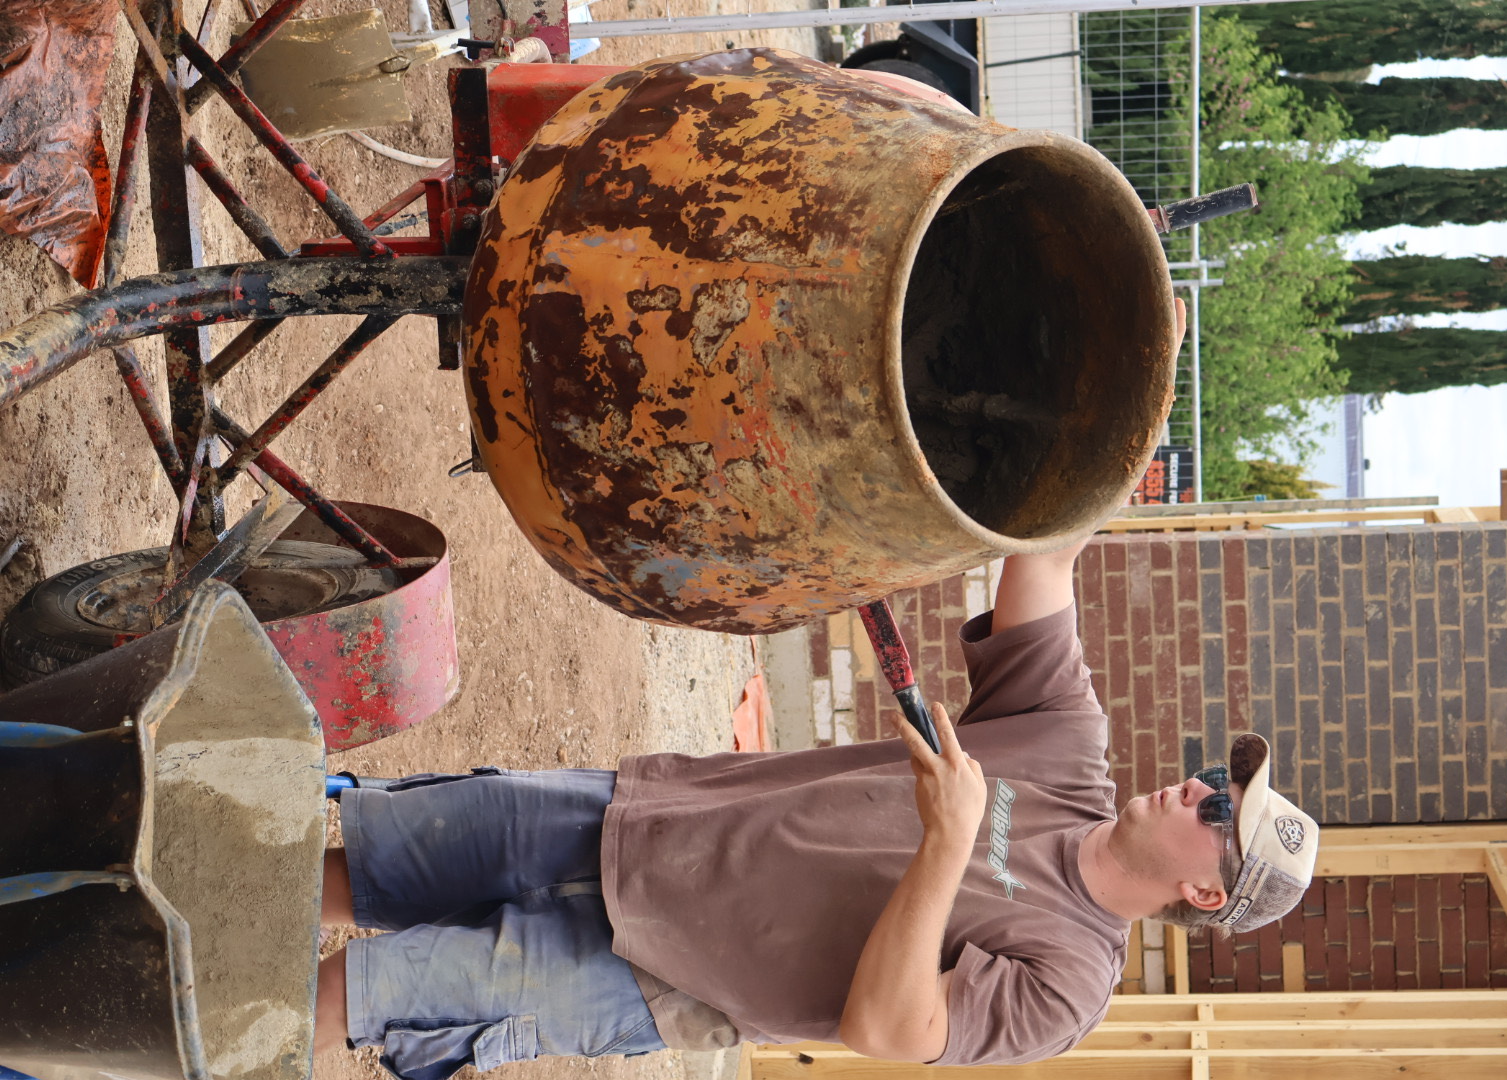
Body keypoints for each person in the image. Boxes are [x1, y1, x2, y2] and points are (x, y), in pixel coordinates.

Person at [314, 299, 1321, 1075]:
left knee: (355, 990)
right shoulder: (1067, 749)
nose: (1198, 787)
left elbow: (886, 1028)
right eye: (1215, 779)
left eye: (1220, 810)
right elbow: (1048, 563)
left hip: (657, 973)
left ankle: (163, 1028)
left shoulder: (1067, 984)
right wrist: (1141, 389)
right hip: (637, 819)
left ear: (1204, 889)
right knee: (360, 871)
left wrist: (950, 844)